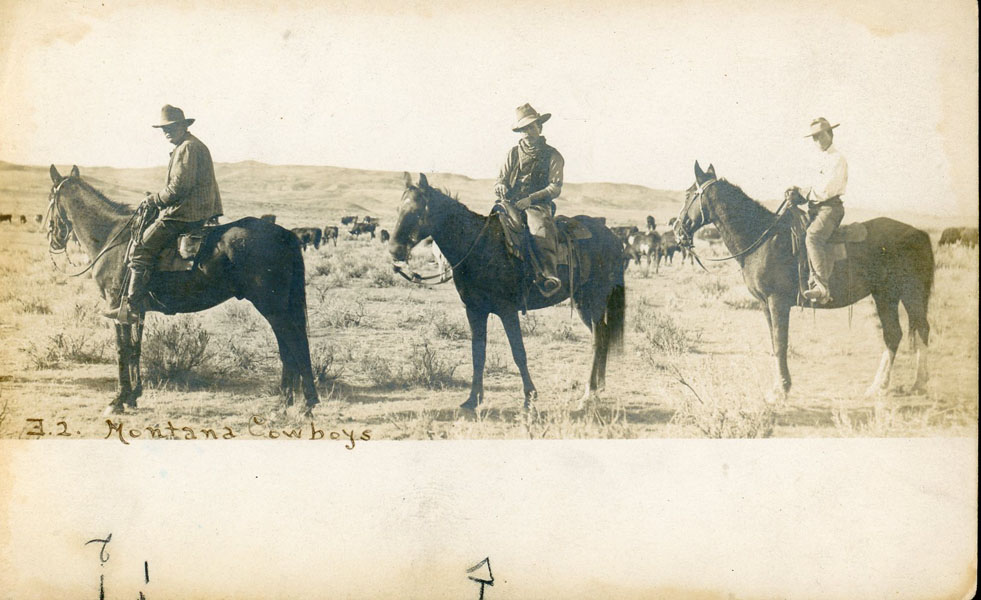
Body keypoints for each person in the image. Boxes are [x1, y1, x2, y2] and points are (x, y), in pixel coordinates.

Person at [104, 104, 223, 321]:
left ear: (182, 126)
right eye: (163, 128)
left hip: (185, 213)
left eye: (171, 126)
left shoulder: (187, 147)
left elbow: (179, 187)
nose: (166, 131)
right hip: (195, 210)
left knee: (140, 247)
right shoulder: (190, 145)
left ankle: (131, 307)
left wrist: (153, 200)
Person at [494, 103, 565, 296]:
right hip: (511, 203)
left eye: (532, 127)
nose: (528, 132)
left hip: (537, 205)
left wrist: (531, 199)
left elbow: (555, 187)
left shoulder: (553, 155)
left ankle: (549, 275)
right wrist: (500, 185)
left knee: (539, 229)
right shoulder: (513, 153)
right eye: (524, 129)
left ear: (540, 127)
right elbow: (501, 178)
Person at [790, 117, 847, 304]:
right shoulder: (821, 159)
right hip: (816, 207)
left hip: (830, 208)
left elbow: (826, 190)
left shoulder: (837, 159)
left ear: (830, 133)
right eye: (813, 138)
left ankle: (821, 287)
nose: (817, 141)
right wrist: (797, 191)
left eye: (820, 136)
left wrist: (804, 193)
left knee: (813, 236)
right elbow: (814, 187)